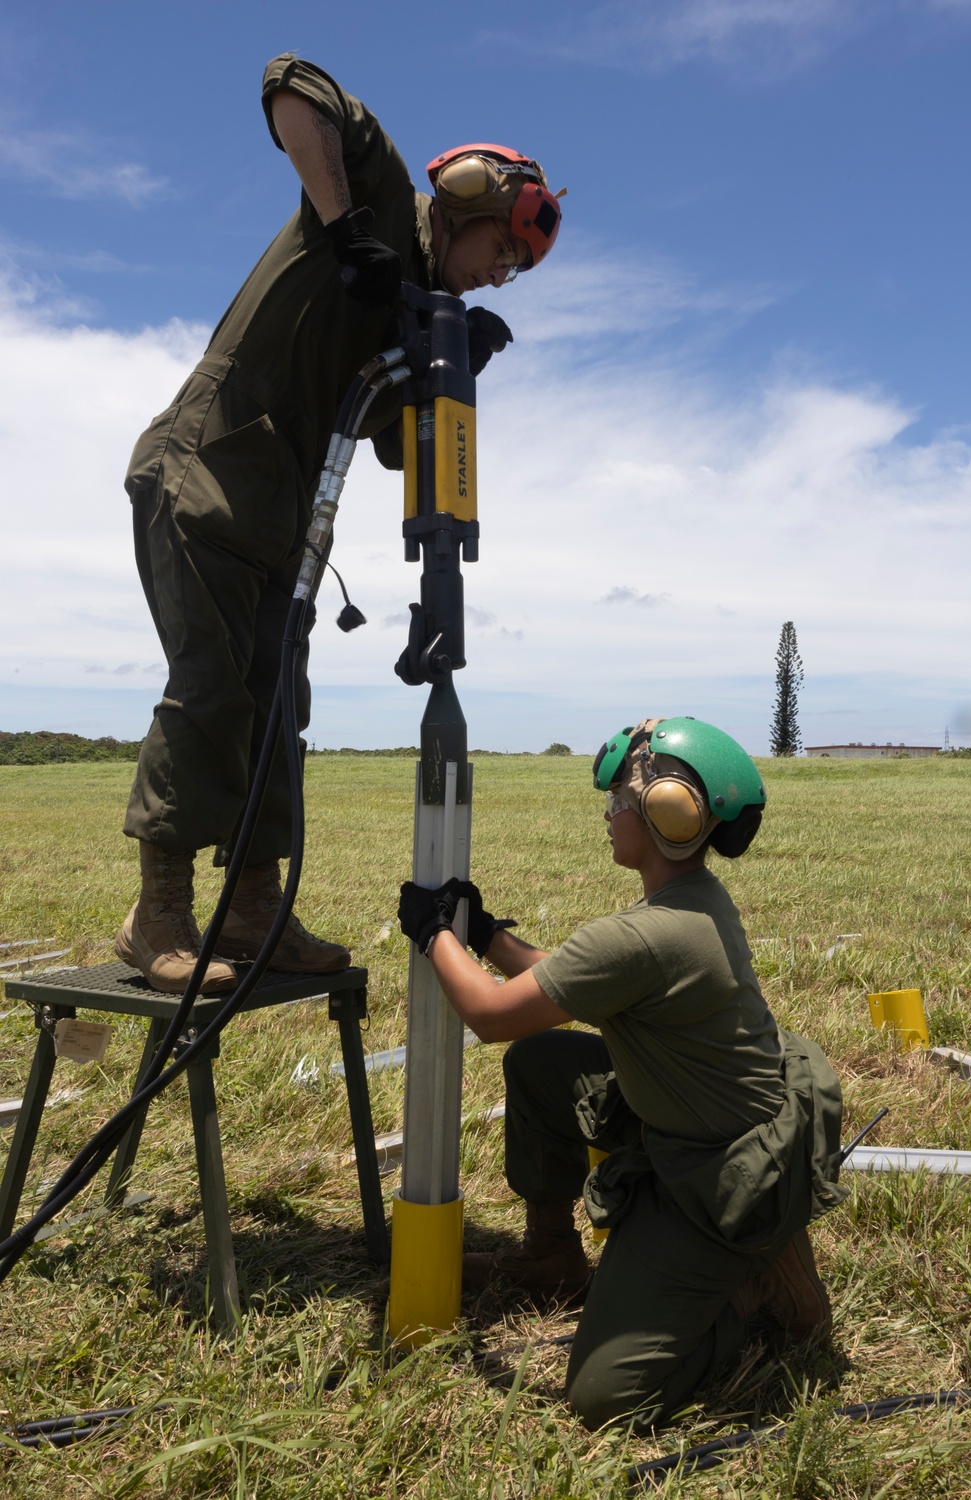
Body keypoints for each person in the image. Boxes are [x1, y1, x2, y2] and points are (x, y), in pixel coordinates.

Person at [115, 54, 563, 995]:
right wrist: (346, 227)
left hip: (284, 518)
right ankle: (155, 913)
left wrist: (448, 360)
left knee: (279, 702)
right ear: (468, 202)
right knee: (210, 691)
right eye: (499, 256)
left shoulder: (418, 307)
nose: (495, 279)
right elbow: (292, 89)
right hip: (204, 466)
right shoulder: (379, 192)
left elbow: (403, 453)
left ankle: (250, 911)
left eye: (510, 277)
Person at [397, 716, 847, 1432]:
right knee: (545, 1064)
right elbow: (567, 984)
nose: (607, 816)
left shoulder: (648, 934)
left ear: (665, 811)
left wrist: (434, 936)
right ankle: (550, 1257)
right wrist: (483, 936)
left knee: (608, 1396)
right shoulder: (688, 902)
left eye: (618, 803)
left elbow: (487, 1014)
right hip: (699, 1116)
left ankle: (747, 1298)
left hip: (726, 1177)